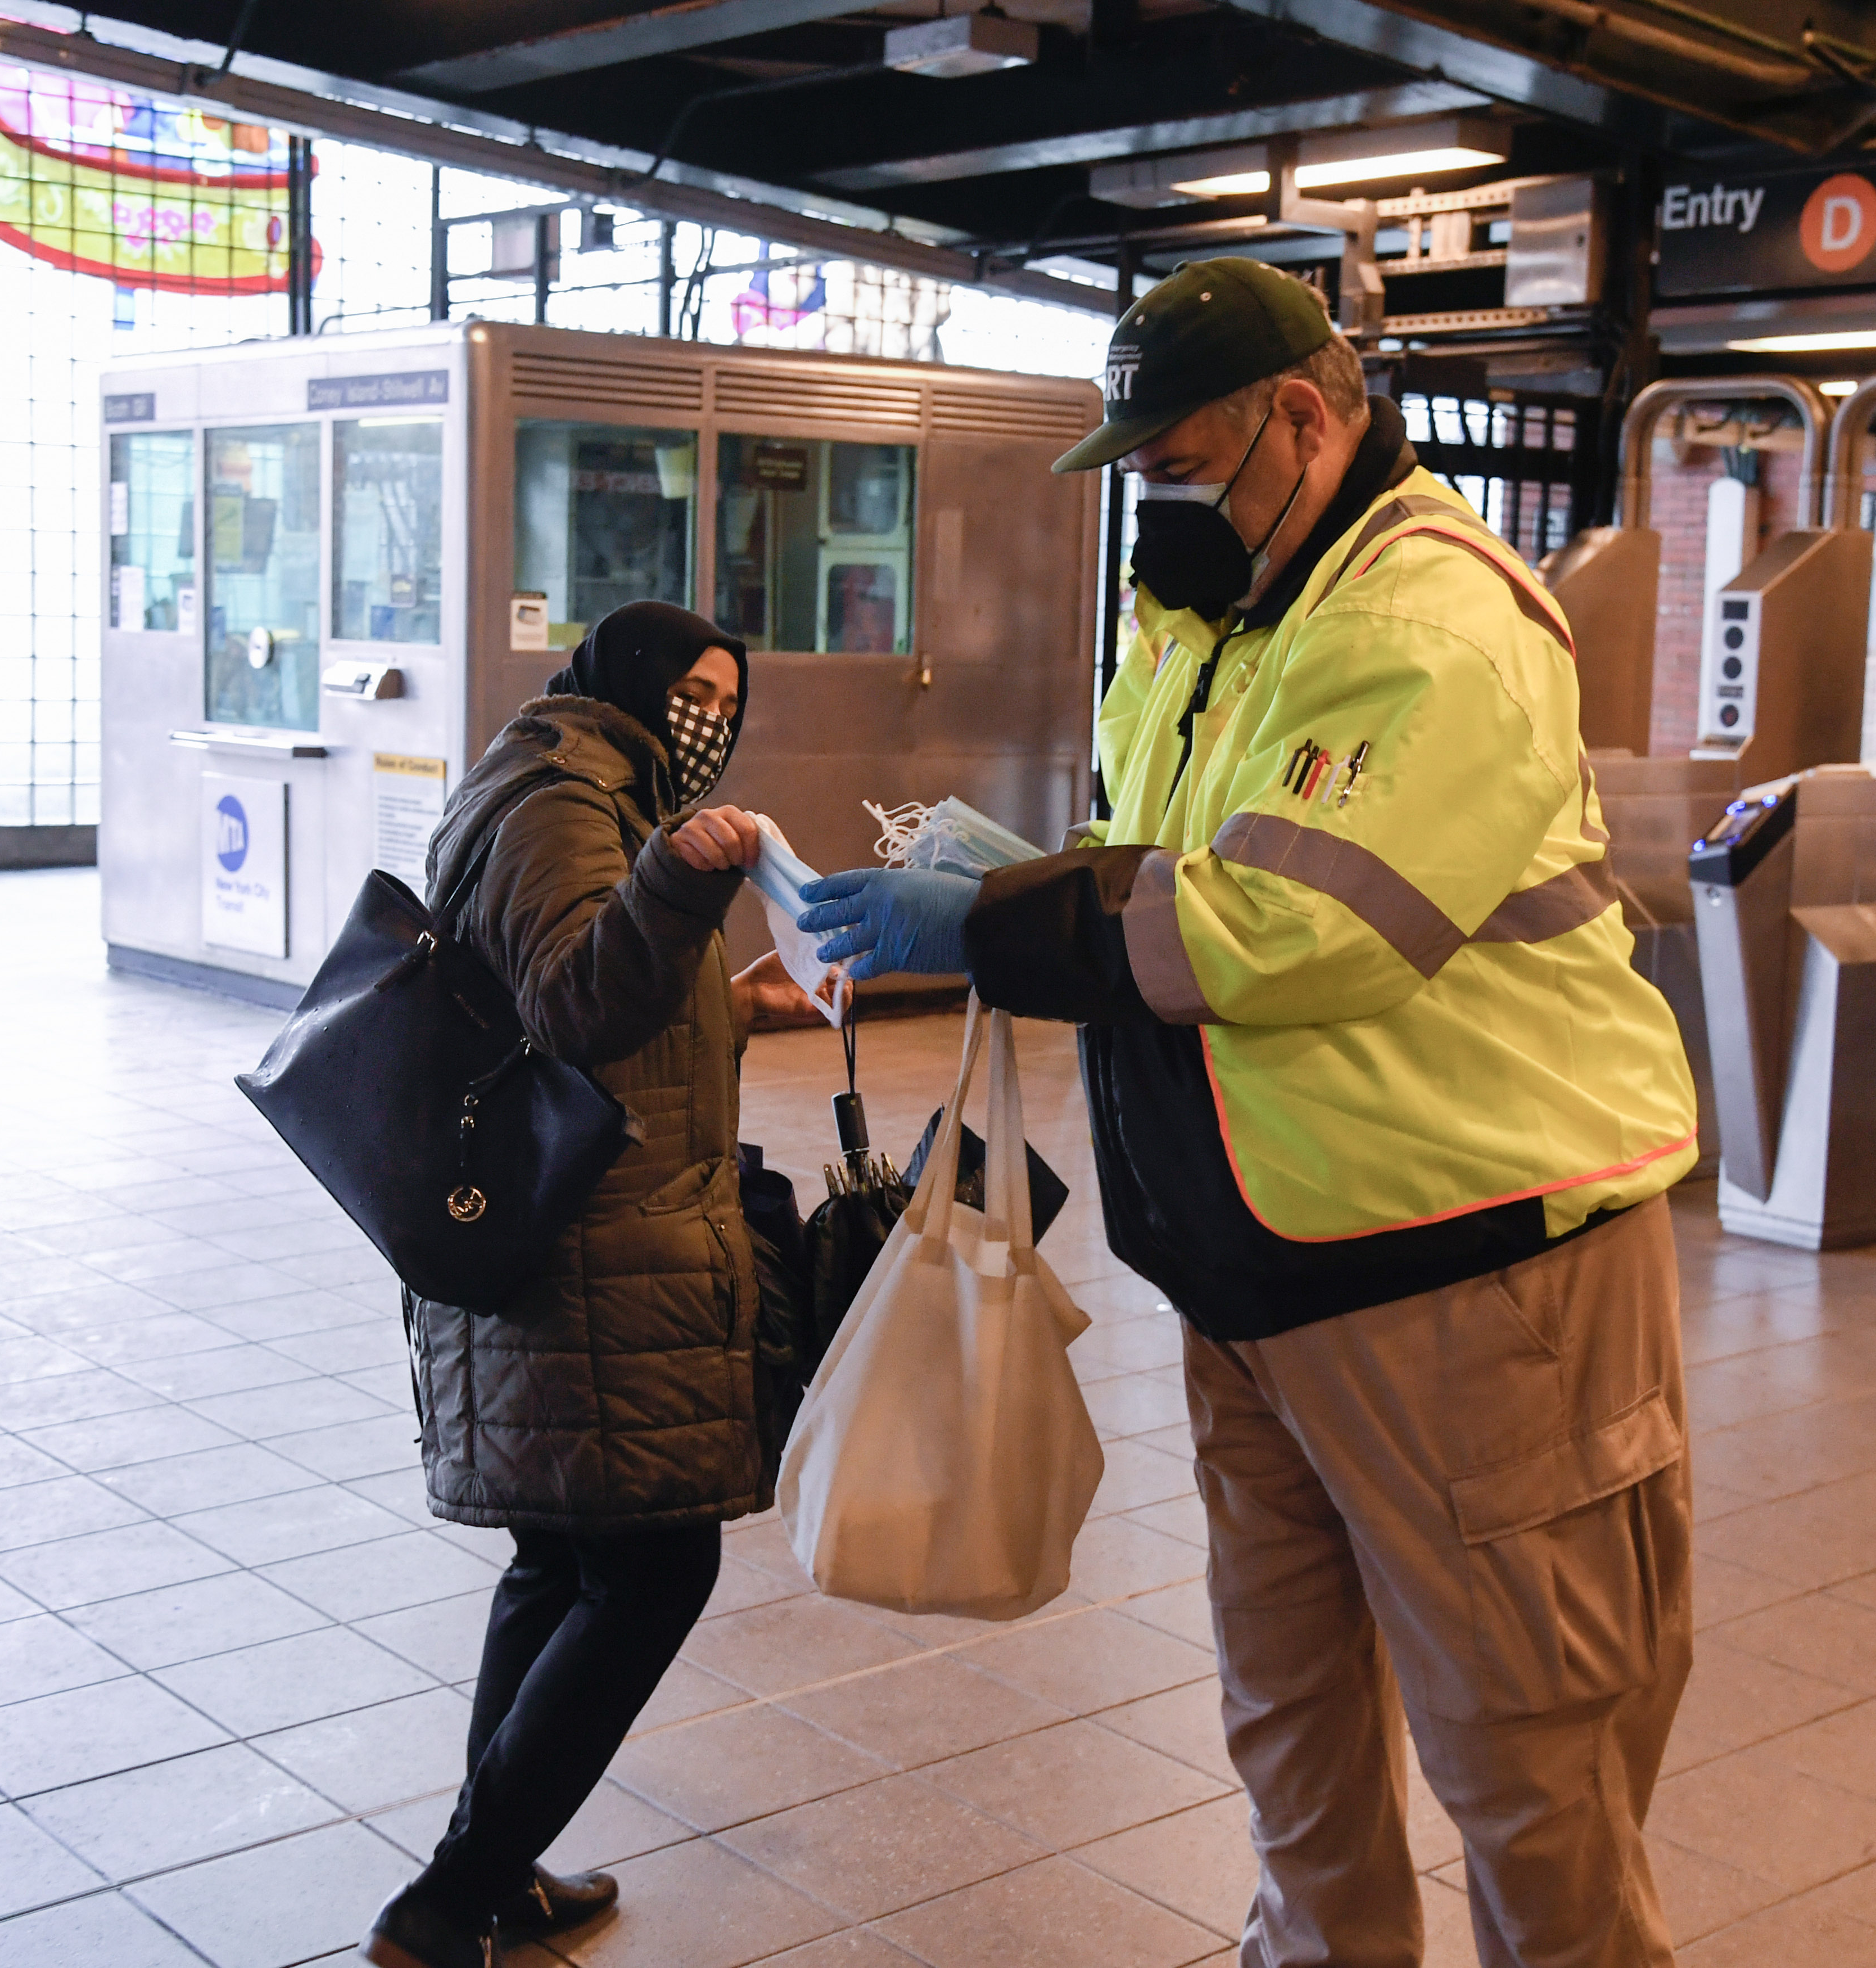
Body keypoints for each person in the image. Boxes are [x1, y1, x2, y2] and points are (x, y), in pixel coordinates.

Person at [799, 259, 1701, 1968]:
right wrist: (1031, 877)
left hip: (1466, 1277)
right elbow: (1177, 857)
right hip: (1257, 1269)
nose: (1176, 500)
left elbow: (1303, 925)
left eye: (1197, 460)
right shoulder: (1225, 624)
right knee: (1288, 1722)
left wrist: (1005, 922)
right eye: (1150, 473)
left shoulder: (1422, 617)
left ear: (1306, 412)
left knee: (1531, 1748)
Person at [367, 601, 806, 1968]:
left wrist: (732, 1000)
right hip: (579, 1252)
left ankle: (491, 1872)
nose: (709, 721)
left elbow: (570, 999)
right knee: (653, 1565)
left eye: (729, 700)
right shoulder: (565, 800)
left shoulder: (577, 778)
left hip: (576, 1234)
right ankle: (450, 1895)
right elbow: (571, 998)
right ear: (628, 683)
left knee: (562, 1559)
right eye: (691, 692)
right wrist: (681, 881)